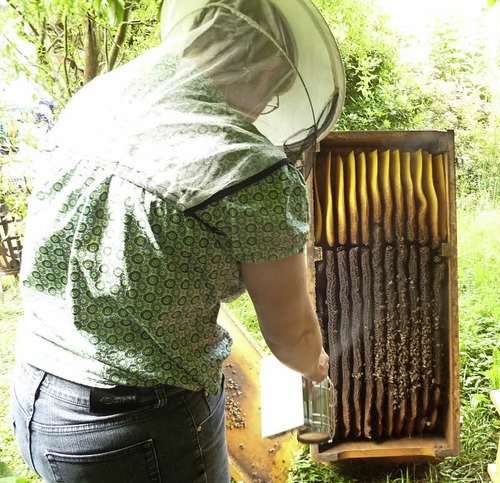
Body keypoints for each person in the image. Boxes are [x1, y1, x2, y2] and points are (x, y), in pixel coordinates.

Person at [9, 0, 345, 481]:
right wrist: (314, 366)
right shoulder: (248, 164)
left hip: (37, 398)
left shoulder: (98, 100)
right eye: (271, 94)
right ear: (267, 66)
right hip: (138, 425)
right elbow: (291, 336)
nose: (262, 109)